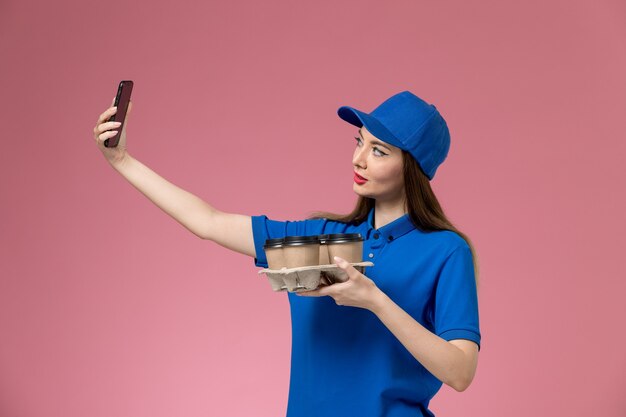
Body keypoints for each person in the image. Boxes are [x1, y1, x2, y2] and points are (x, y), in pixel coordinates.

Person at [93, 90, 481, 417]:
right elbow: (207, 221)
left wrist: (375, 301)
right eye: (359, 141)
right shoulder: (323, 237)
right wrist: (122, 161)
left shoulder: (445, 251)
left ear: (412, 167)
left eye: (378, 151)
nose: (358, 159)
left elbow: (461, 371)